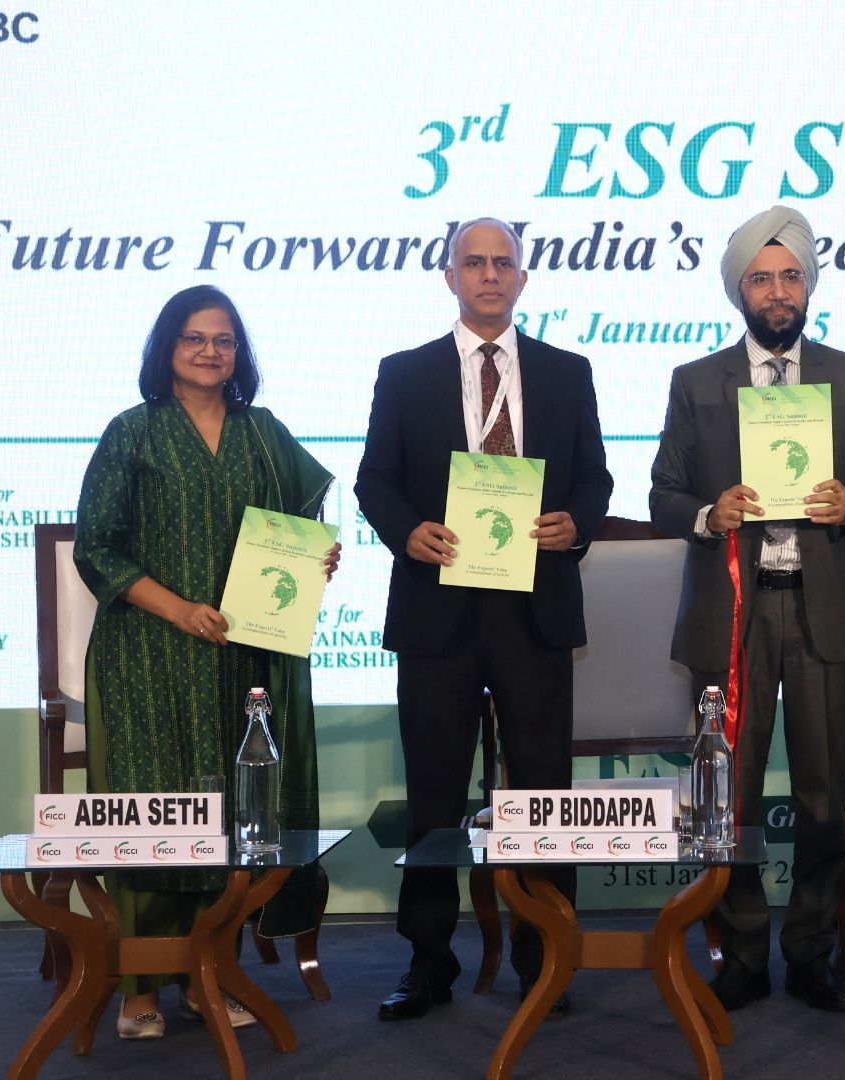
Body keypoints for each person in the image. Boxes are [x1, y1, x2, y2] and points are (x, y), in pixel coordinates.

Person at [357, 216, 612, 1021]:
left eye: (504, 263)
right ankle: (429, 962)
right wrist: (407, 532)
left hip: (534, 610)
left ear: (524, 279)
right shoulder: (404, 373)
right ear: (450, 276)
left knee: (542, 797)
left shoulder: (568, 372)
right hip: (440, 612)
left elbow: (598, 481)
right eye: (475, 262)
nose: (491, 275)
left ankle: (547, 958)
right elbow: (376, 481)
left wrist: (578, 522)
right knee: (435, 796)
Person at [74, 284, 339, 1039]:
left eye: (223, 340)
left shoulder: (265, 434)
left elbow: (303, 523)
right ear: (166, 348)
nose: (210, 351)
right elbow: (98, 550)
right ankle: (140, 989)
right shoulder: (131, 433)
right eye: (193, 338)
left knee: (233, 815)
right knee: (159, 812)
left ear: (238, 354)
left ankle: (210, 975)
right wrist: (180, 608)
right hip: (149, 655)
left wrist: (317, 560)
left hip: (242, 658)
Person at [650, 205, 845, 1013]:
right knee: (733, 793)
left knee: (825, 794)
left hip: (823, 606)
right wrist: (707, 513)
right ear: (739, 291)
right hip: (731, 616)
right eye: (763, 277)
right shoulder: (696, 382)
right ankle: (744, 951)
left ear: (810, 285)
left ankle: (814, 950)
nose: (779, 290)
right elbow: (663, 494)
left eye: (792, 275)